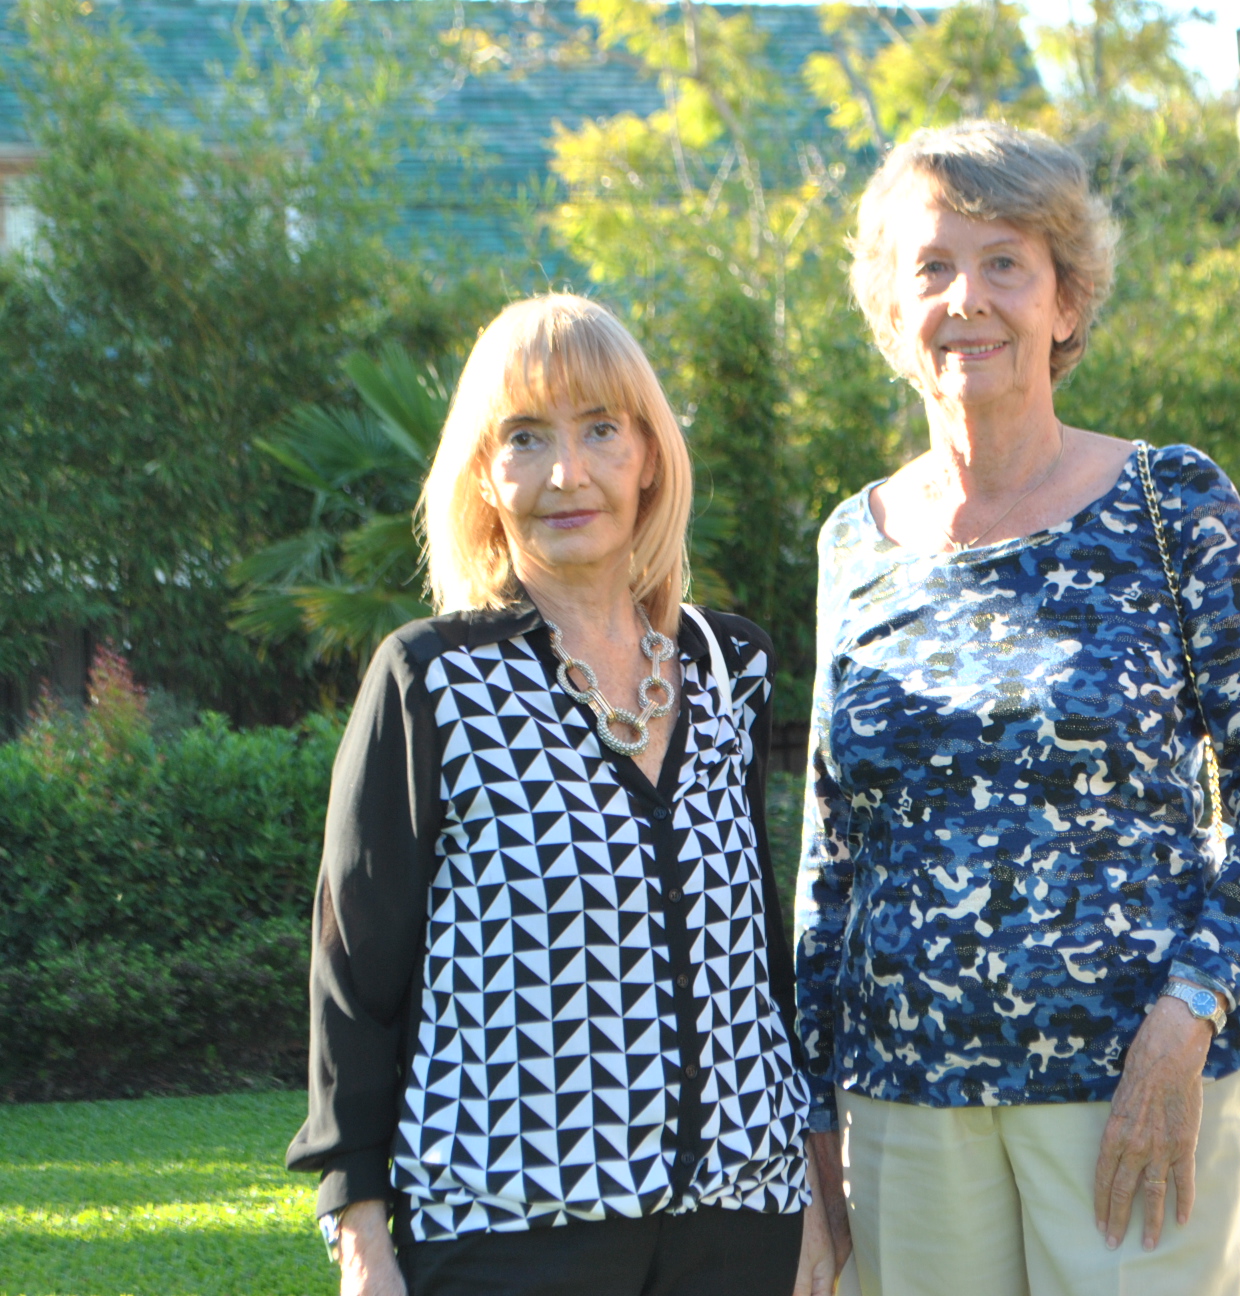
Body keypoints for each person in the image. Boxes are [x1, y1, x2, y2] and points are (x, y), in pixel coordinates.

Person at [792, 120, 1240, 1296]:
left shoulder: (1169, 502)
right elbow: (831, 855)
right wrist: (812, 1111)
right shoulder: (852, 540)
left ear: (1066, 299)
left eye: (1004, 263)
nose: (966, 299)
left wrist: (1186, 1017)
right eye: (931, 267)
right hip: (903, 1103)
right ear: (891, 307)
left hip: (1130, 1089)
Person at [285, 294, 837, 1296]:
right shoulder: (432, 680)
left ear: (649, 456)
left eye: (599, 430)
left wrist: (806, 1182)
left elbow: (755, 954)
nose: (566, 474)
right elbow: (353, 976)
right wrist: (361, 1231)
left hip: (740, 1221)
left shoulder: (729, 668)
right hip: (511, 1229)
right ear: (483, 474)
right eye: (526, 437)